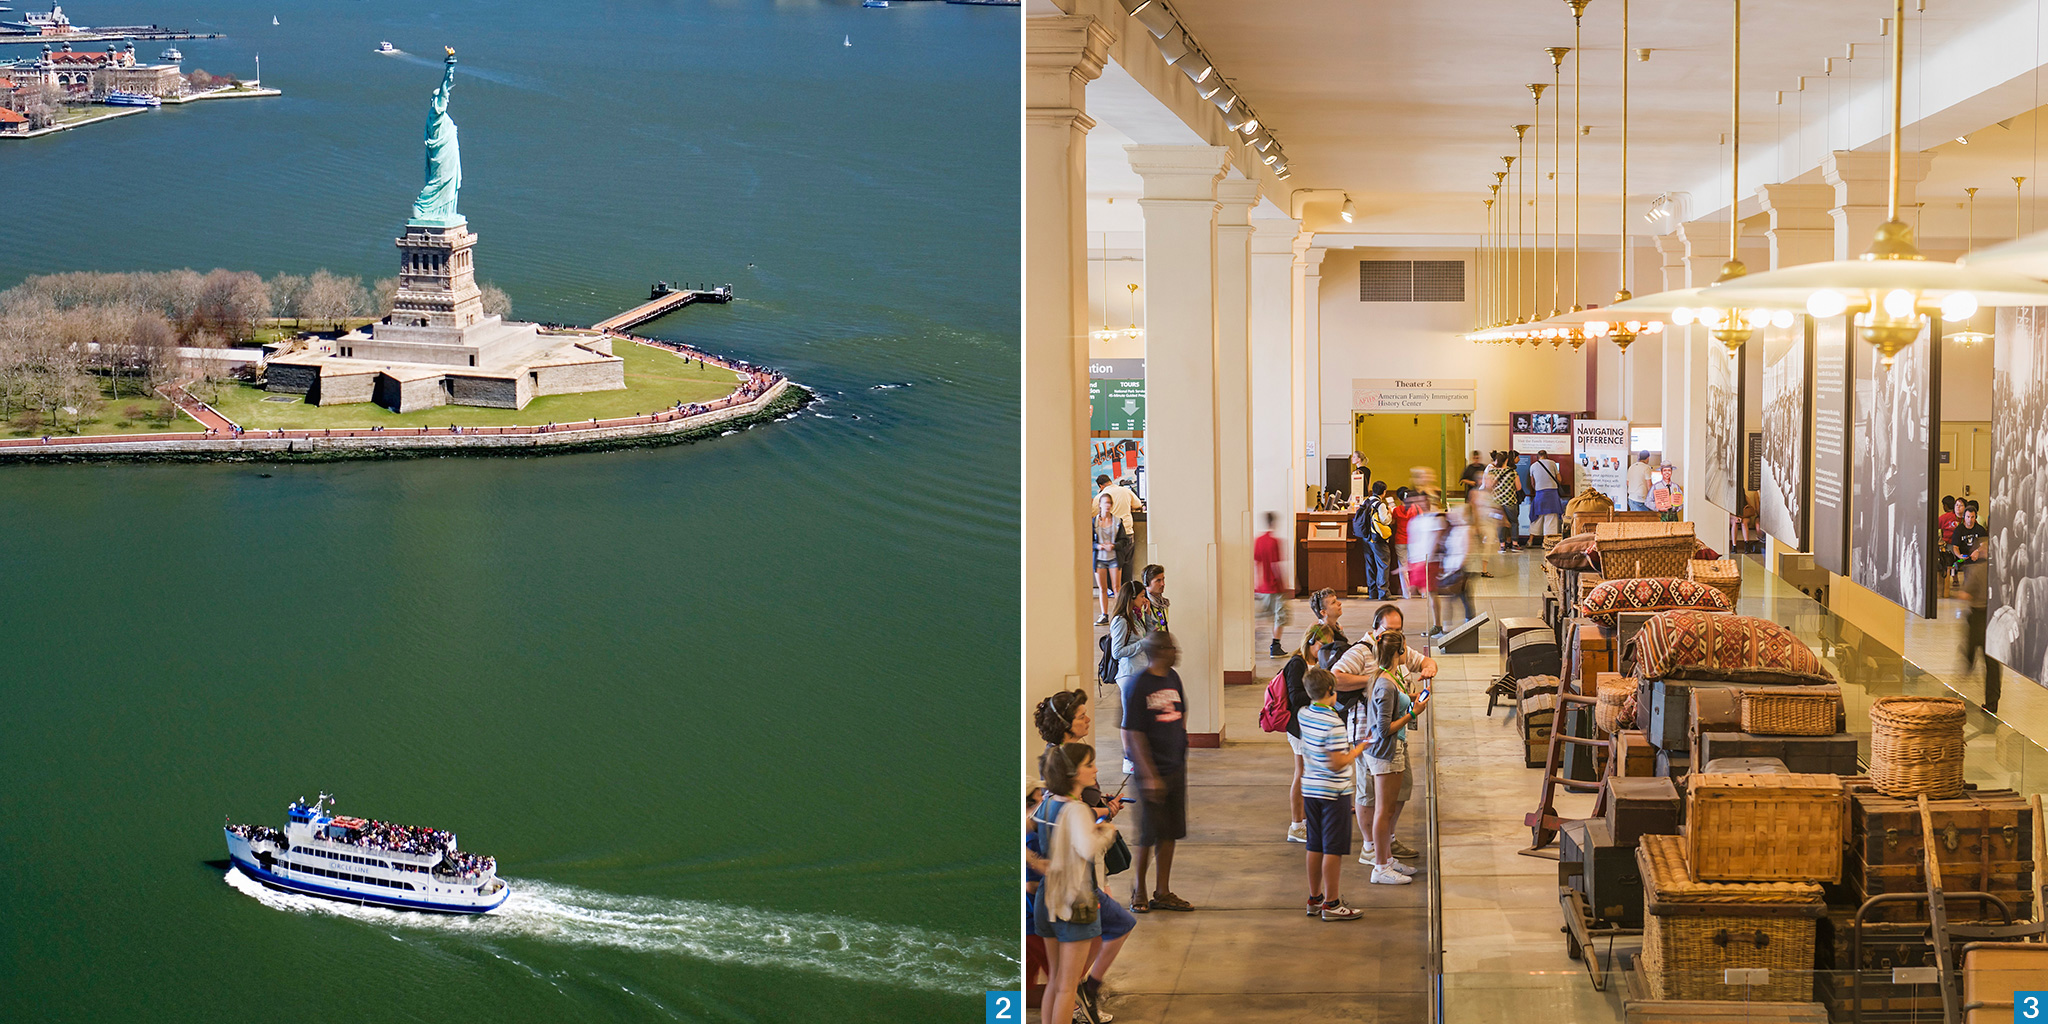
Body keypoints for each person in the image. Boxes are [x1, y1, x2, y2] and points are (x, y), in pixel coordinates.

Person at [1033, 692, 1134, 1022]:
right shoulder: (1075, 810)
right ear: (1074, 772)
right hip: (1075, 898)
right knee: (1066, 986)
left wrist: (1036, 865)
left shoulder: (1045, 802)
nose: (1094, 768)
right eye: (1089, 765)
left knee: (1055, 983)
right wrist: (1107, 829)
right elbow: (1088, 848)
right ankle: (1083, 1001)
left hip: (1046, 899)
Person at [1122, 632, 1192, 913]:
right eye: (1171, 647)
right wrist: (1149, 774)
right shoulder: (1139, 684)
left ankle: (1162, 891)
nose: (1176, 651)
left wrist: (1181, 743)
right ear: (1158, 651)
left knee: (1170, 832)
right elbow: (1132, 733)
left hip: (1175, 767)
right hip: (1151, 774)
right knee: (1148, 835)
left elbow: (1181, 712)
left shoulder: (1173, 677)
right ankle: (1139, 890)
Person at [1297, 666, 1366, 920]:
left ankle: (1314, 898)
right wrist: (1360, 747)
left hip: (1311, 789)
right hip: (1333, 793)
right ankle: (1332, 903)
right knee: (1332, 849)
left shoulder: (1305, 714)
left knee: (1314, 845)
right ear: (1330, 691)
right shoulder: (1335, 725)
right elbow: (1338, 762)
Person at [1361, 633, 1429, 884]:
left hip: (1394, 749)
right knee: (1384, 811)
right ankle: (1380, 867)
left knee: (1388, 809)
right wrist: (1414, 713)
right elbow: (1383, 729)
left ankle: (1388, 860)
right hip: (1386, 753)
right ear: (1398, 651)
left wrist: (1412, 700)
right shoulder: (1385, 683)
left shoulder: (1388, 677)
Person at [1955, 535, 2002, 713]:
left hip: (1979, 617)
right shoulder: (1999, 570)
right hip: (1995, 620)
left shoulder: (1978, 570)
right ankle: (1992, 703)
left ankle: (1957, 688)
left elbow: (1965, 595)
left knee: (1970, 650)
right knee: (1992, 663)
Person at [1280, 634, 1315, 844]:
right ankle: (1296, 825)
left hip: (1308, 725)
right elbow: (1295, 697)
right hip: (1298, 726)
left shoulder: (1314, 662)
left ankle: (1304, 820)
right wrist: (1320, 691)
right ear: (1311, 642)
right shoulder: (1297, 663)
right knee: (1301, 773)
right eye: (1322, 644)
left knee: (1308, 774)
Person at [1091, 493, 1133, 624]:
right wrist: (1099, 546)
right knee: (1102, 588)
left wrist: (1113, 546)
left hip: (1114, 557)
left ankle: (1119, 614)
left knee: (1117, 587)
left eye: (1109, 503)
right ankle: (1104, 614)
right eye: (1105, 503)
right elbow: (1089, 541)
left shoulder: (1117, 521)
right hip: (1100, 558)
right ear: (1100, 505)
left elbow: (1124, 540)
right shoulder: (1094, 522)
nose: (1107, 505)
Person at [1106, 581, 1152, 696]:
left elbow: (1151, 637)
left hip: (1141, 672)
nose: (1144, 600)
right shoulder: (1121, 621)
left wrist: (1148, 614)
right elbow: (1116, 652)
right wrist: (1142, 643)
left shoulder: (1136, 617)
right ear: (1132, 597)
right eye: (1142, 596)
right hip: (1129, 674)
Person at [1253, 512, 1289, 657]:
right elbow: (1275, 565)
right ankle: (1275, 646)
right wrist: (1284, 584)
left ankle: (1251, 640)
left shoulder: (1259, 540)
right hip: (1274, 586)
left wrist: (1257, 582)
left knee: (1262, 616)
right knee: (1279, 616)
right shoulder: (1274, 541)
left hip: (1262, 586)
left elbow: (1256, 562)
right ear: (1273, 523)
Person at [1358, 482, 1395, 600]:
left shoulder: (1365, 501)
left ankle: (1372, 592)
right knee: (1383, 564)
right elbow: (1385, 521)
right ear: (1384, 492)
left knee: (1369, 565)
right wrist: (1389, 512)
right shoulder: (1380, 505)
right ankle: (1383, 593)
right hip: (1377, 538)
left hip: (1365, 538)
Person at [1405, 493, 1441, 606]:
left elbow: (1434, 542)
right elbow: (1413, 543)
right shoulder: (1414, 522)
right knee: (1418, 591)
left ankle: (1438, 622)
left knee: (1431, 594)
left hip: (1428, 562)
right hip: (1419, 561)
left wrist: (1425, 561)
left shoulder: (1434, 520)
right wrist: (1411, 562)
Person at [1302, 588, 1349, 666]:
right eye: (1333, 602)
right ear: (1323, 612)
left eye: (1337, 600)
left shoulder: (1338, 627)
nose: (1339, 603)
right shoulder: (1317, 631)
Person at [1528, 451, 1564, 545]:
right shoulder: (1552, 463)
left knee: (1537, 518)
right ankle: (1547, 542)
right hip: (1552, 494)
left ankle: (1530, 541)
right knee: (1551, 519)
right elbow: (1559, 479)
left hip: (1540, 494)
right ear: (1546, 456)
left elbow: (1532, 483)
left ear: (1538, 457)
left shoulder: (1533, 466)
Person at [1390, 486, 1419, 596]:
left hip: (1400, 541)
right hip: (1413, 540)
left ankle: (1407, 594)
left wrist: (1390, 510)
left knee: (1403, 567)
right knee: (1416, 565)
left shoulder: (1396, 510)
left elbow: (1392, 522)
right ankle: (1422, 592)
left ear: (1399, 498)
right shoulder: (1416, 508)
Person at [1491, 452, 1523, 550]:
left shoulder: (1492, 472)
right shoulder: (1512, 472)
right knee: (1513, 522)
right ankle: (1514, 544)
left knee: (1500, 523)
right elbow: (1519, 488)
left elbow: (1489, 486)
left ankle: (1502, 545)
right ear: (1507, 460)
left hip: (1497, 502)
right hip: (1510, 501)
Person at [1140, 564, 1169, 633]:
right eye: (1158, 581)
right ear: (1146, 583)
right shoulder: (1142, 605)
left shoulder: (1163, 604)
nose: (1163, 584)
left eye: (1163, 579)